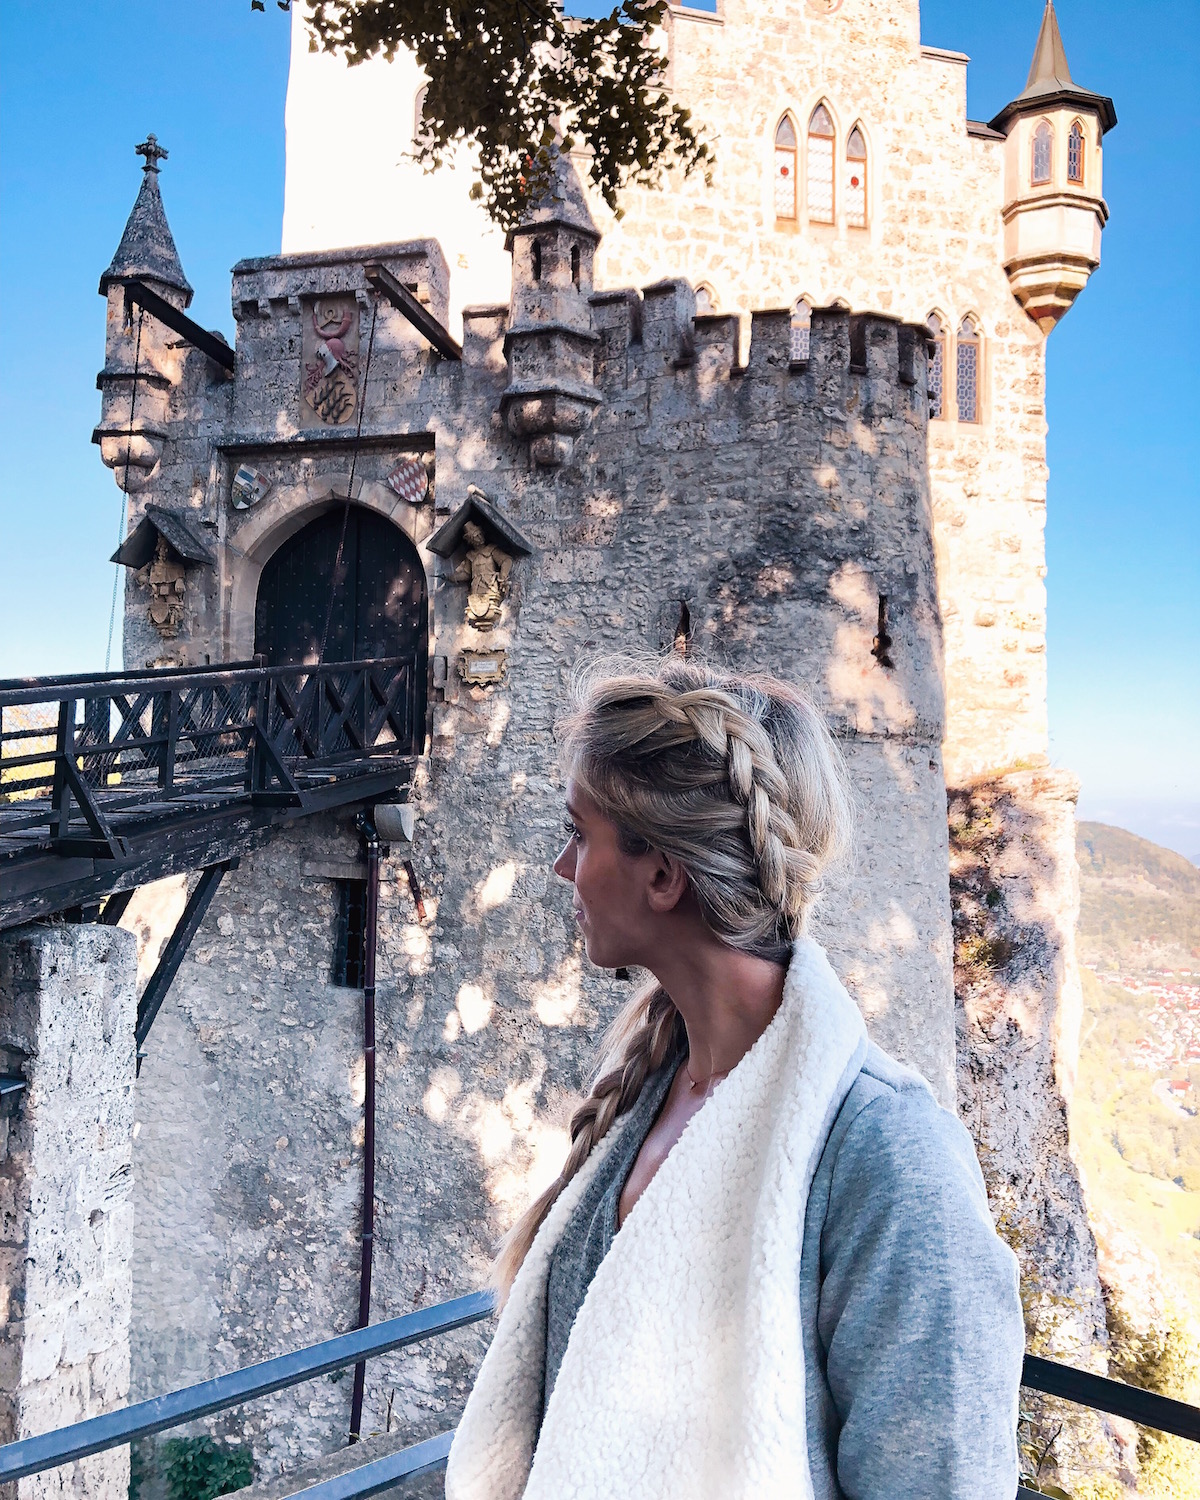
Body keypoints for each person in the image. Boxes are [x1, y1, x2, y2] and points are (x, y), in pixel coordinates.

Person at [445, 656, 1024, 1500]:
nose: (563, 868)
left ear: (663, 875)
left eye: (579, 833)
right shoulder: (650, 1088)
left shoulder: (891, 1159)